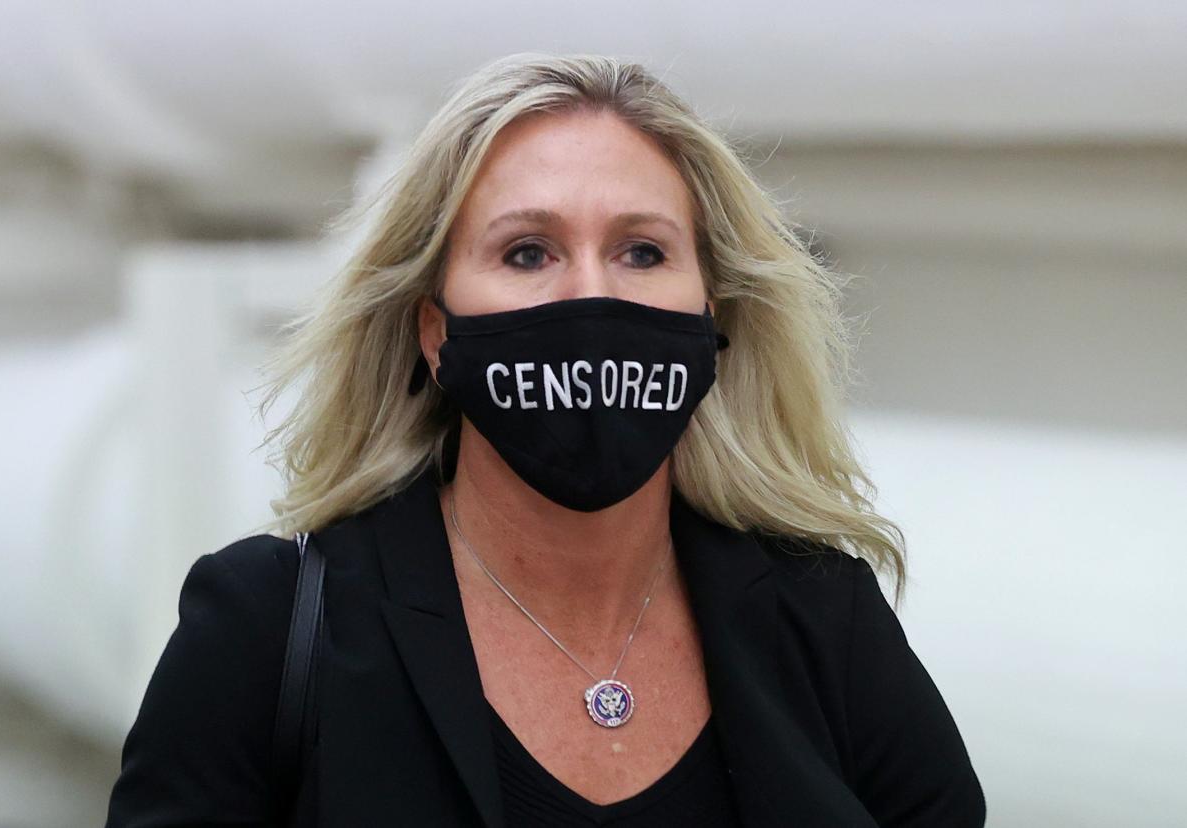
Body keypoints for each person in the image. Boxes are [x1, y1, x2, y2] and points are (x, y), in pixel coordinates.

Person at [105, 52, 985, 827]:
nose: (589, 297)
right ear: (434, 331)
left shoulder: (825, 620)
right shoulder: (265, 629)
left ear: (711, 315)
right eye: (528, 252)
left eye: (642, 252)